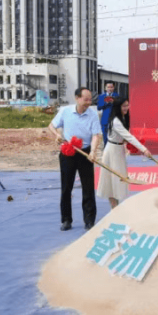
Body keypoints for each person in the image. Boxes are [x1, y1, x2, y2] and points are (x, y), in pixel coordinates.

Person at [48, 87, 102, 231]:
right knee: (66, 187)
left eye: (90, 100)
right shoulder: (65, 111)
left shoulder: (93, 114)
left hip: (85, 152)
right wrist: (57, 135)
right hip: (68, 152)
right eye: (86, 99)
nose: (88, 102)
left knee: (88, 188)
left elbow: (96, 135)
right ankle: (66, 220)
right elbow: (51, 125)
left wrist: (93, 151)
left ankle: (89, 220)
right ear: (77, 98)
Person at [97, 97, 151, 209]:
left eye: (127, 105)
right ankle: (114, 207)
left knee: (117, 179)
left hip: (118, 150)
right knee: (112, 180)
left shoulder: (122, 118)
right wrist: (144, 149)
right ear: (118, 107)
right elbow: (129, 137)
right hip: (112, 152)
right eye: (124, 106)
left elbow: (125, 138)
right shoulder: (116, 121)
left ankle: (115, 206)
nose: (126, 108)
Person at [97, 81, 118, 146]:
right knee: (105, 135)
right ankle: (106, 148)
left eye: (111, 87)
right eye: (108, 87)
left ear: (114, 88)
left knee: (114, 135)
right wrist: (106, 103)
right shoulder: (101, 96)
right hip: (105, 119)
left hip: (114, 119)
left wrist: (114, 102)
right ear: (105, 88)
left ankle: (113, 148)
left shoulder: (117, 96)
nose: (110, 88)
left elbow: (120, 107)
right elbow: (99, 107)